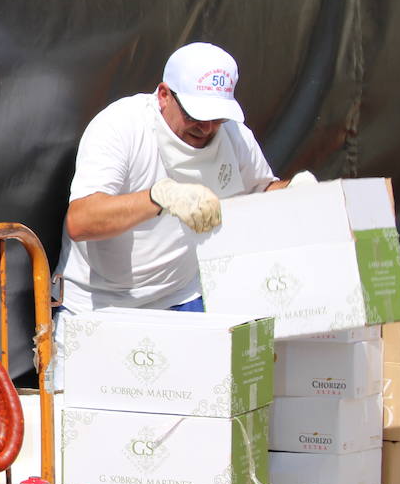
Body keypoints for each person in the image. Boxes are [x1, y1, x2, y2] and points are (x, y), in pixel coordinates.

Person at [54, 41, 312, 318]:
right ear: (164, 95)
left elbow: (260, 190)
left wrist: (294, 191)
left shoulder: (235, 135)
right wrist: (159, 197)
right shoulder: (120, 127)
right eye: (196, 115)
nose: (207, 127)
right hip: (97, 303)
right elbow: (81, 221)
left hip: (183, 297)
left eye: (218, 117)